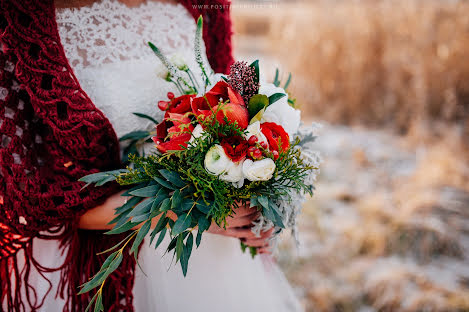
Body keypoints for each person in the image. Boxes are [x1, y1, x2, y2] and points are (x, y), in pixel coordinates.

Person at [0, 0, 302, 311]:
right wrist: (189, 213)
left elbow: (231, 103)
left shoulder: (207, 7)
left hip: (213, 255)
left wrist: (261, 204)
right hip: (93, 262)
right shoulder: (18, 21)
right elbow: (34, 199)